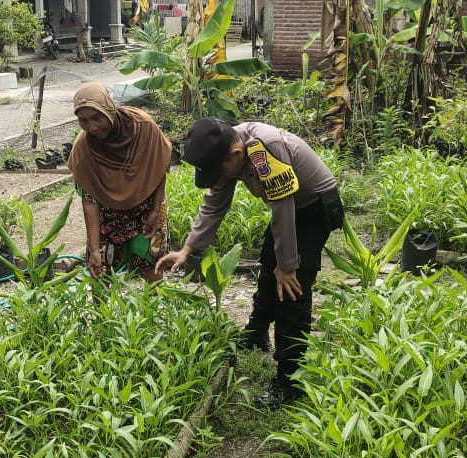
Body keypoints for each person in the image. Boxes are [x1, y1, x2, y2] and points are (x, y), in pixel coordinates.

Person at [156, 118, 344, 408]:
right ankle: (257, 333)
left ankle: (289, 380)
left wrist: (288, 265)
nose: (219, 177)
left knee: (292, 290)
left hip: (314, 207)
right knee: (268, 268)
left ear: (235, 155)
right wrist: (187, 249)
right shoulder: (229, 148)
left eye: (219, 171)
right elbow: (215, 203)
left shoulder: (266, 148)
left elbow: (283, 206)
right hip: (290, 208)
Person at [67, 82, 172, 282]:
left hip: (147, 208)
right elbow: (89, 200)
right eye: (83, 120)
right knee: (101, 273)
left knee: (151, 266)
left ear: (109, 109)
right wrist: (94, 249)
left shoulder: (143, 127)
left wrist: (156, 211)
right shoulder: (84, 148)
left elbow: (159, 169)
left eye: (96, 117)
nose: (92, 127)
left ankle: (156, 304)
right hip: (108, 217)